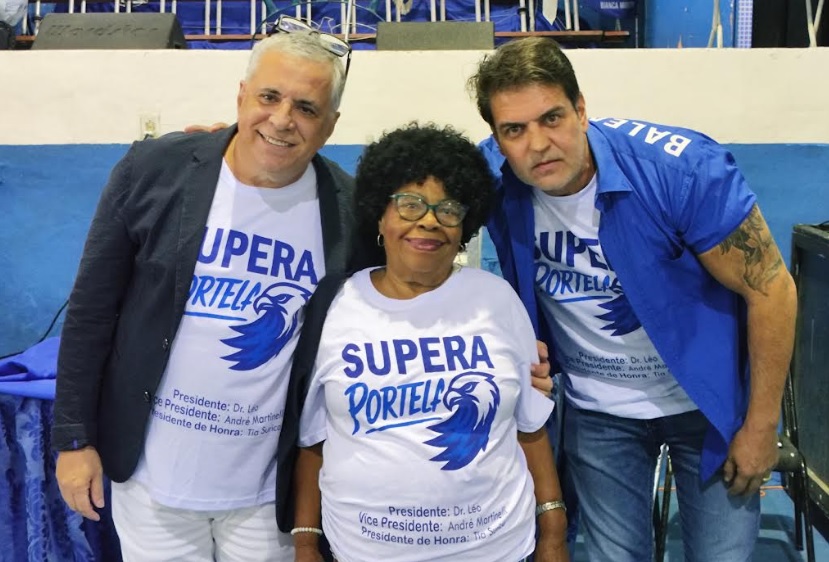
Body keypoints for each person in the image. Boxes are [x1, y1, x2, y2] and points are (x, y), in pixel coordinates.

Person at [52, 21, 375, 561]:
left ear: (330, 125)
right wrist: (74, 439)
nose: (282, 119)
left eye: (306, 107)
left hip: (266, 494)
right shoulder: (155, 170)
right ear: (242, 95)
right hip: (152, 484)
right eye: (269, 97)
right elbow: (91, 310)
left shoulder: (348, 211)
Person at [469, 37, 797, 561]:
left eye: (552, 118)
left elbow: (772, 289)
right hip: (599, 409)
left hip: (707, 406)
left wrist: (761, 426)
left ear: (581, 109)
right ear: (497, 137)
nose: (538, 144)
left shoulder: (682, 172)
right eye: (515, 130)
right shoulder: (488, 178)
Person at [286, 123, 569, 562]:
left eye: (448, 209)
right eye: (410, 204)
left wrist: (553, 532)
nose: (430, 220)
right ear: (380, 215)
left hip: (494, 550)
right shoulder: (336, 307)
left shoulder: (496, 300)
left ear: (464, 226)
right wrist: (306, 542)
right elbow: (313, 442)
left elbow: (529, 428)